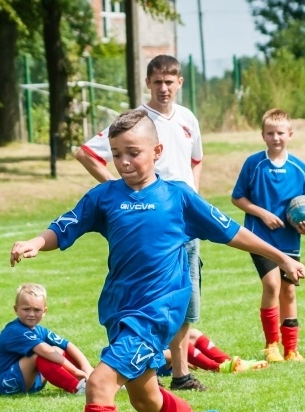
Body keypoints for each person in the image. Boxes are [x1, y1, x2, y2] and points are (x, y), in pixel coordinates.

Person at [10, 109, 305, 412]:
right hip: (121, 312)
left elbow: (232, 231)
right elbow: (66, 226)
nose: (125, 162)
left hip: (157, 313)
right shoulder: (105, 196)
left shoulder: (178, 197)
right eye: (117, 154)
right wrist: (35, 243)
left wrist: (280, 257)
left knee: (99, 383)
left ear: (158, 150)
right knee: (146, 400)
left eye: (133, 152)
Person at [75, 54, 207, 392]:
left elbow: (196, 160)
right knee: (153, 298)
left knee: (185, 299)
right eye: (157, 81)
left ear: (180, 83)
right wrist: (115, 189)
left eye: (170, 81)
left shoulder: (188, 119)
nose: (164, 88)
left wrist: (193, 195)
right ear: (147, 83)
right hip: (150, 221)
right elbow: (87, 153)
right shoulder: (134, 122)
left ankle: (175, 371)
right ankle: (174, 371)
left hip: (183, 220)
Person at [231, 108, 305, 363]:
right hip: (259, 236)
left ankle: (291, 350)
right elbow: (238, 198)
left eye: (280, 133)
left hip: (289, 240)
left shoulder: (299, 168)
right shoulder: (254, 164)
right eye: (270, 133)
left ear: (290, 134)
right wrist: (263, 214)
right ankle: (271, 346)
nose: (276, 138)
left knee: (288, 292)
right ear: (263, 135)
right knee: (271, 285)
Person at [0, 283, 94, 396]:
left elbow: (67, 345)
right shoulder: (15, 331)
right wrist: (75, 371)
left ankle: (92, 380)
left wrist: (85, 366)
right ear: (16, 309)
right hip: (1, 387)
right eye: (26, 309)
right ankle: (78, 388)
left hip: (31, 383)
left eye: (37, 310)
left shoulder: (39, 330)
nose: (31, 314)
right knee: (40, 354)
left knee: (57, 349)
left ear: (44, 311)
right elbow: (45, 351)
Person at [156, 328, 269, 374]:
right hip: (153, 361)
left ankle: (229, 362)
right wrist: (182, 359)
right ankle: (217, 367)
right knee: (176, 342)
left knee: (192, 334)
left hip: (162, 351)